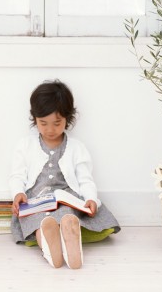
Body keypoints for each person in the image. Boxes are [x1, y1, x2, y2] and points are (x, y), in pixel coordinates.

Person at [9, 80, 120, 269]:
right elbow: (17, 175)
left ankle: (71, 242)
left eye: (57, 123)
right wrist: (18, 193)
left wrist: (91, 198)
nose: (50, 130)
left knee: (67, 215)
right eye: (43, 123)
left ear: (67, 119)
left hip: (66, 197)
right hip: (36, 200)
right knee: (40, 221)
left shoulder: (77, 147)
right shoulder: (25, 145)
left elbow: (85, 179)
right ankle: (51, 249)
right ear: (34, 118)